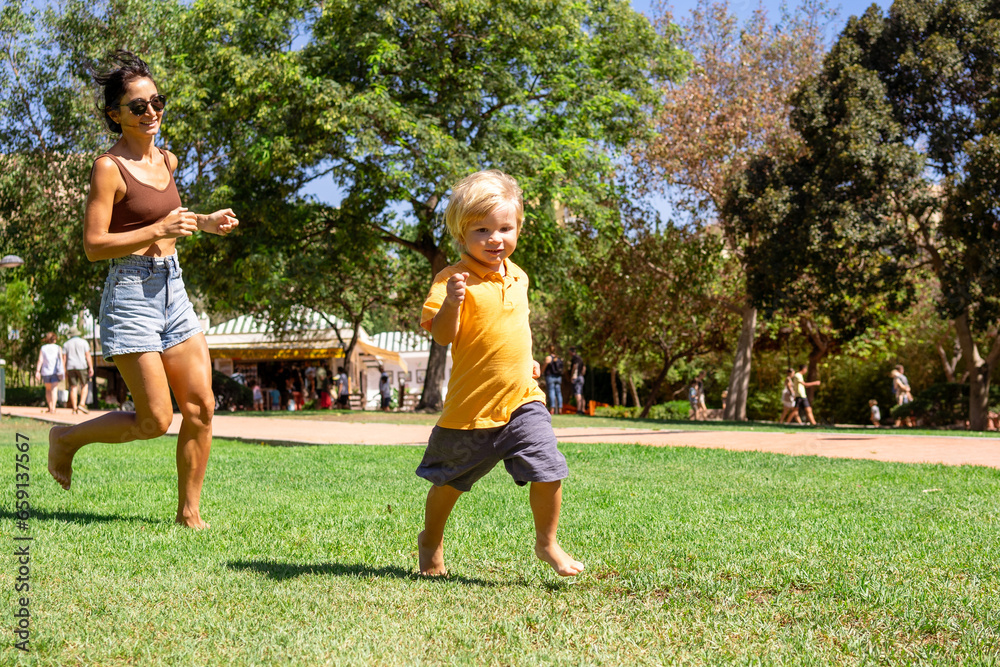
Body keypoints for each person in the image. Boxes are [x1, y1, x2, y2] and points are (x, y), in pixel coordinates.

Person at [45, 51, 239, 529]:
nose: (151, 112)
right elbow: (95, 245)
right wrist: (156, 229)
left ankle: (189, 514)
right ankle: (65, 439)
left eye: (157, 102)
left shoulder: (167, 159)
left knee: (201, 406)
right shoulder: (108, 168)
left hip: (174, 289)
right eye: (138, 106)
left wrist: (204, 223)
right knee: (155, 421)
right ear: (116, 115)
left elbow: (170, 220)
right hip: (130, 295)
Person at [415, 169, 583, 578]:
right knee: (448, 484)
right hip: (470, 411)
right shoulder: (451, 279)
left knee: (549, 467)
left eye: (505, 228)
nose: (495, 238)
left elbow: (514, 326)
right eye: (482, 230)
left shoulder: (519, 276)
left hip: (522, 400)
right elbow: (441, 336)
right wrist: (453, 303)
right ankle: (431, 539)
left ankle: (547, 543)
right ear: (461, 234)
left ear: (518, 227)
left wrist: (527, 360)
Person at [62, 331, 94, 415]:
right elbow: (87, 355)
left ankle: (74, 408)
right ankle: (82, 403)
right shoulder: (84, 342)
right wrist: (91, 367)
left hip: (70, 367)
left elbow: (64, 359)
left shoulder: (66, 344)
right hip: (82, 366)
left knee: (73, 387)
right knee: (84, 385)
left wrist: (64, 369)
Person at [35, 332, 65, 414]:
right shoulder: (58, 348)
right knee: (54, 390)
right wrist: (63, 371)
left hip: (45, 372)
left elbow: (40, 360)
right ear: (54, 339)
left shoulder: (43, 348)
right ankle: (53, 408)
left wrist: (37, 371)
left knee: (48, 390)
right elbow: (61, 361)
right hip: (55, 371)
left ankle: (50, 406)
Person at [542, 347, 564, 415]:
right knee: (559, 393)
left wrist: (541, 372)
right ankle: (560, 410)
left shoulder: (549, 358)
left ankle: (552, 409)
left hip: (550, 377)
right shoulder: (559, 358)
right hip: (558, 377)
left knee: (551, 392)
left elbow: (544, 366)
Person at [568, 346, 587, 415]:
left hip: (577, 377)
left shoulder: (575, 358)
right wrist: (582, 374)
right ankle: (583, 409)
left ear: (571, 352)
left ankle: (579, 410)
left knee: (577, 393)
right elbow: (584, 367)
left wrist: (573, 375)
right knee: (581, 393)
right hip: (581, 377)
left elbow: (575, 366)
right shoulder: (580, 358)